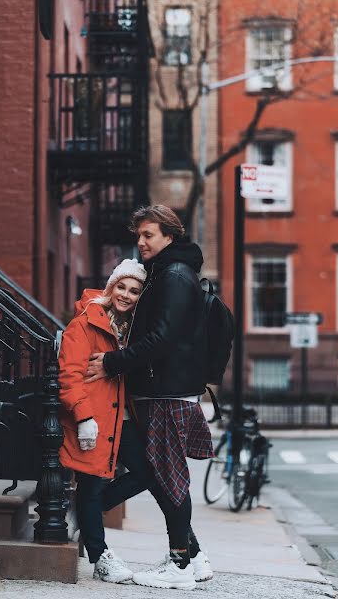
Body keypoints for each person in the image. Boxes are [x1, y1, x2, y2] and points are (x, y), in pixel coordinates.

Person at [86, 205, 215, 590]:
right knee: (163, 474)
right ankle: (191, 556)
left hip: (167, 392)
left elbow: (163, 339)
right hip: (165, 391)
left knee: (170, 477)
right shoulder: (168, 273)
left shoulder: (174, 275)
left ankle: (179, 565)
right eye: (139, 235)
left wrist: (112, 362)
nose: (140, 242)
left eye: (148, 235)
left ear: (169, 237)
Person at [58, 258, 147, 583]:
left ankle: (85, 513)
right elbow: (69, 376)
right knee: (92, 485)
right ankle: (100, 558)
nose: (126, 294)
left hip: (121, 420)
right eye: (121, 287)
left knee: (148, 471)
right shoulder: (84, 324)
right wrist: (83, 417)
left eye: (134, 290)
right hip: (93, 419)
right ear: (111, 288)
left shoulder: (135, 330)